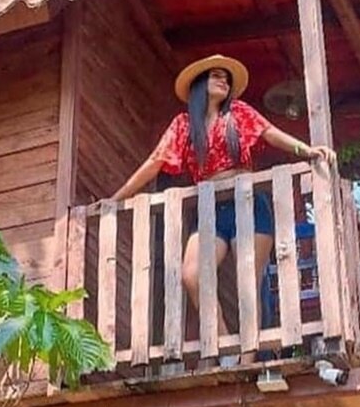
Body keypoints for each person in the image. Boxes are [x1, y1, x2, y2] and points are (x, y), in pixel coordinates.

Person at [109, 54, 335, 363]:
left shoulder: (238, 113)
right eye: (216, 76)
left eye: (226, 78)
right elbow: (154, 163)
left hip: (248, 204)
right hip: (211, 210)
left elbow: (270, 133)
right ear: (200, 85)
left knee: (247, 280)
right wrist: (116, 198)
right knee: (192, 273)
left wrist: (307, 151)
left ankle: (248, 358)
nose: (223, 81)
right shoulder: (184, 124)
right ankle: (225, 344)